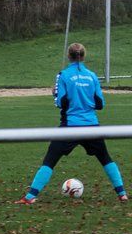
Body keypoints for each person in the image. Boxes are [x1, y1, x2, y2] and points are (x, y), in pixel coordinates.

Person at [17, 43, 128, 204]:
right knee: (105, 158)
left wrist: (54, 94)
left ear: (69, 56)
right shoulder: (92, 76)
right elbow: (99, 104)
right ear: (83, 56)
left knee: (50, 160)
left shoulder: (63, 75)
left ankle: (30, 197)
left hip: (70, 126)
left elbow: (61, 103)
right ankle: (122, 194)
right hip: (91, 126)